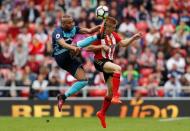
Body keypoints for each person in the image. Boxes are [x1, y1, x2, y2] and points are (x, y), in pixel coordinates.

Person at [85, 16, 142, 128]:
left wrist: (133, 38)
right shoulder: (99, 35)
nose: (115, 29)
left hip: (108, 62)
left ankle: (101, 113)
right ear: (107, 27)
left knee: (109, 93)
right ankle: (116, 95)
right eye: (113, 27)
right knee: (118, 68)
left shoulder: (114, 35)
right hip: (99, 61)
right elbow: (87, 48)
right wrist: (102, 46)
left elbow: (123, 43)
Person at [52, 15, 103, 112]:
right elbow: (63, 44)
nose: (73, 24)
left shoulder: (74, 29)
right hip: (60, 56)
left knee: (84, 80)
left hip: (69, 59)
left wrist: (99, 27)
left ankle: (63, 97)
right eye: (70, 23)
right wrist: (74, 48)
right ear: (63, 24)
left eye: (72, 22)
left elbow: (89, 31)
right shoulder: (57, 32)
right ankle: (98, 36)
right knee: (75, 45)